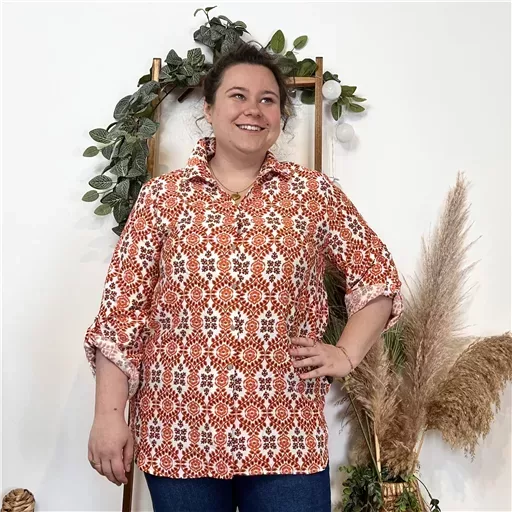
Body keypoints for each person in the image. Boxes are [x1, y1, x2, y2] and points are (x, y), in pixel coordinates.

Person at [84, 42, 403, 512]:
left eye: (267, 99)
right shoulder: (162, 198)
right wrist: (108, 417)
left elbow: (377, 275)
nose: (253, 109)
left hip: (285, 433)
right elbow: (120, 315)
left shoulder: (312, 195)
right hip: (178, 434)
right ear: (209, 109)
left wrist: (346, 353)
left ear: (280, 117)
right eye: (238, 96)